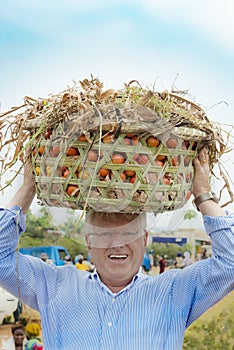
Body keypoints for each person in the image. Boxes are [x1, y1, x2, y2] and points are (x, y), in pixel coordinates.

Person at [0, 148, 233, 349]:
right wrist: (27, 189)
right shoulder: (54, 286)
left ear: (144, 239)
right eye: (106, 235)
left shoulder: (174, 292)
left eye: (128, 233)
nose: (117, 243)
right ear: (89, 241)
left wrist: (204, 197)